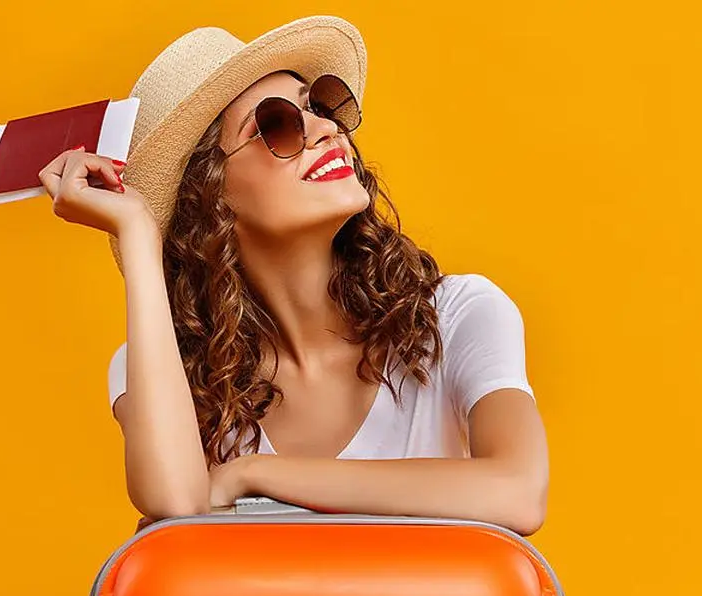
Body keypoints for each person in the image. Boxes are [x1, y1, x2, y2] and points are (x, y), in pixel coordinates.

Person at [37, 16, 549, 535]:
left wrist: (257, 474)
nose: (326, 129)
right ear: (209, 194)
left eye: (319, 107)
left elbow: (518, 491)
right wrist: (139, 232)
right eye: (278, 124)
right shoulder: (162, 368)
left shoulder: (457, 316)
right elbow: (174, 503)